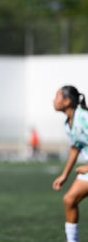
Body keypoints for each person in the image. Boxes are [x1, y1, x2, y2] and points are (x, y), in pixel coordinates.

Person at [52, 85, 88, 242]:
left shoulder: (84, 118)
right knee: (69, 200)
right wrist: (64, 175)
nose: (53, 100)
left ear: (67, 101)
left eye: (57, 96)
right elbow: (75, 147)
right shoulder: (68, 123)